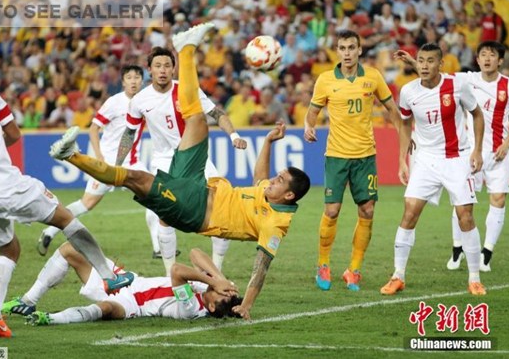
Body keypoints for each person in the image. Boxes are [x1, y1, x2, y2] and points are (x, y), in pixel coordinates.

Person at [49, 23, 311, 320]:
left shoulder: (276, 223)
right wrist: (266, 141)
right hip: (201, 183)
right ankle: (186, 48)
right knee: (197, 119)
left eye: (279, 181)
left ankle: (70, 155)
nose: (272, 180)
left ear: (288, 195)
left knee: (136, 179)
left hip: (193, 208)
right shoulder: (267, 194)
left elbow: (261, 268)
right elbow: (259, 178)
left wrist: (246, 303)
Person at [0, 52, 134, 338]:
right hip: (6, 185)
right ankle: (109, 276)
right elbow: (13, 133)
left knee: (9, 250)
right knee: (65, 218)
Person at [115, 46, 248, 275]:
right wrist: (117, 164)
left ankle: (215, 272)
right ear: (150, 70)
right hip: (164, 161)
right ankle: (170, 275)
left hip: (196, 157)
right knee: (165, 216)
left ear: (174, 68)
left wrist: (234, 135)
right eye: (158, 66)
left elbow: (216, 113)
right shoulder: (139, 100)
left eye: (167, 65)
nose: (163, 70)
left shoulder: (188, 91)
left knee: (220, 209)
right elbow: (129, 132)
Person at [395, 41, 509, 273]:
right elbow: (433, 72)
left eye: (491, 55)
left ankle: (486, 254)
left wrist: (507, 143)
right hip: (468, 152)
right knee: (458, 205)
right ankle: (456, 250)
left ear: (500, 60)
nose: (487, 59)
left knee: (496, 200)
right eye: (482, 55)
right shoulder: (467, 79)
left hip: (495, 152)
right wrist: (415, 62)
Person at [381, 43, 487, 297]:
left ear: (441, 64)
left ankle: (474, 278)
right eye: (421, 61)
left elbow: (477, 114)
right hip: (426, 159)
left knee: (465, 216)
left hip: (456, 158)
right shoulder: (407, 92)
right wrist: (402, 160)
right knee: (409, 212)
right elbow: (405, 124)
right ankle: (398, 275)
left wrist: (477, 150)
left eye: (431, 61)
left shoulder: (456, 85)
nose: (425, 65)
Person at [303, 30, 402, 292]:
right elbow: (312, 112)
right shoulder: (325, 80)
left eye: (351, 47)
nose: (346, 52)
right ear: (337, 51)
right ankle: (323, 264)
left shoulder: (373, 77)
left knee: (367, 210)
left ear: (359, 50)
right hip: (336, 156)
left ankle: (354, 269)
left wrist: (404, 134)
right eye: (342, 48)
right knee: (332, 211)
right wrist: (308, 127)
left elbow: (392, 108)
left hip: (365, 156)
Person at [36, 65, 160, 258]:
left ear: (142, 81)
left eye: (137, 77)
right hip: (109, 162)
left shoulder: (145, 102)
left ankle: (158, 249)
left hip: (132, 162)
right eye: (129, 77)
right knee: (87, 204)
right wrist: (100, 157)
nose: (134, 81)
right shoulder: (114, 102)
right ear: (123, 82)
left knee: (154, 198)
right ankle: (49, 231)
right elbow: (94, 129)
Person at [3, 244, 242, 325]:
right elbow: (195, 252)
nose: (219, 292)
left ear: (211, 308)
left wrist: (212, 280)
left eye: (222, 297)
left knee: (105, 309)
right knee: (70, 249)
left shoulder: (191, 308)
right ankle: (28, 302)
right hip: (131, 280)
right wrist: (220, 279)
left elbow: (177, 270)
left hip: (132, 303)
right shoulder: (207, 291)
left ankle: (50, 318)